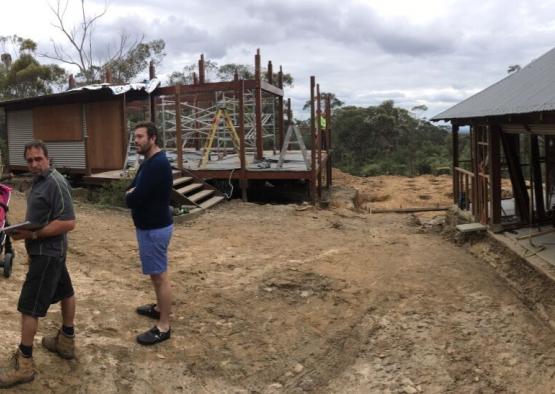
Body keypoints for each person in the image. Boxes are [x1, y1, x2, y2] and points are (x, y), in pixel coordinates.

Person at [0, 141, 76, 388]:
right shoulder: (39, 181)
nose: (34, 164)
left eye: (38, 159)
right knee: (66, 292)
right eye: (30, 160)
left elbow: (68, 222)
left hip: (48, 254)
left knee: (29, 308)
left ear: (48, 158)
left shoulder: (56, 183)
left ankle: (25, 364)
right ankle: (66, 341)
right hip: (47, 252)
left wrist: (32, 236)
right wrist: (23, 229)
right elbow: (42, 217)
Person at [126, 122, 173, 345]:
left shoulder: (157, 165)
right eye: (135, 137)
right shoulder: (149, 162)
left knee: (159, 276)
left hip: (155, 229)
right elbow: (133, 188)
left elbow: (133, 197)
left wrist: (132, 195)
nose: (136, 141)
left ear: (153, 138)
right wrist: (132, 193)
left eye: (140, 137)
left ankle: (164, 326)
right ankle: (158, 308)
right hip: (150, 227)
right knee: (156, 274)